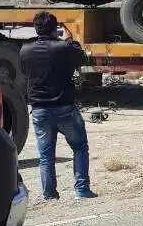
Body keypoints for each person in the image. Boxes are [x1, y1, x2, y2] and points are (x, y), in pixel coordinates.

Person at [19, 11, 97, 199]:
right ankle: (81, 190)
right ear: (55, 29)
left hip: (39, 109)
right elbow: (82, 58)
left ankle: (49, 195)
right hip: (64, 108)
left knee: (45, 156)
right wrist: (70, 40)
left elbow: (24, 71)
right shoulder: (63, 47)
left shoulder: (25, 50)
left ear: (36, 29)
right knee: (79, 147)